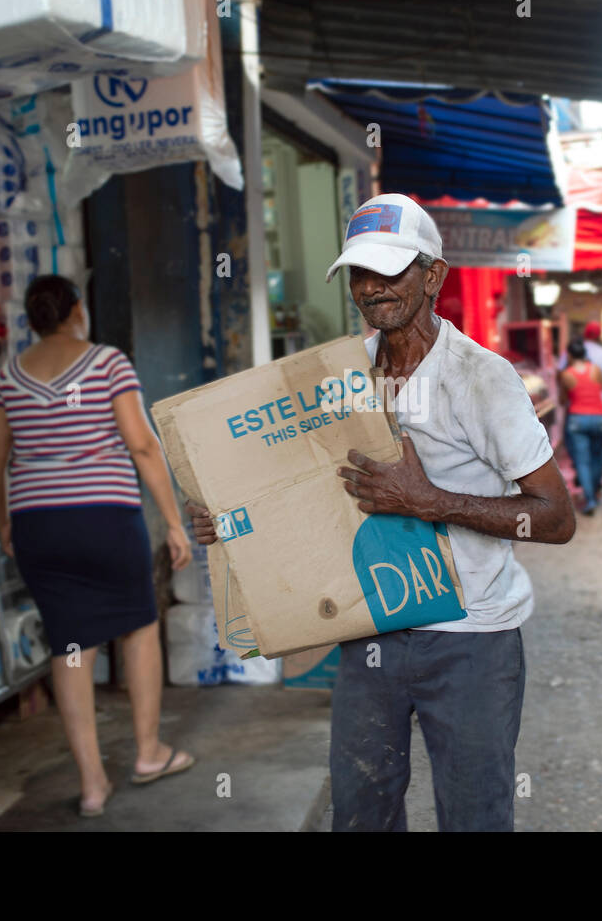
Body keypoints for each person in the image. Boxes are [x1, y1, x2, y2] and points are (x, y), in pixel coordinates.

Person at [190, 193, 576, 832]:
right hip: (373, 629)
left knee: (474, 816)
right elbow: (303, 492)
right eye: (360, 275)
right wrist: (224, 517)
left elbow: (556, 517)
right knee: (362, 813)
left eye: (390, 271)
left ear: (433, 275)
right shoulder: (341, 378)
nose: (372, 288)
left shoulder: (482, 378)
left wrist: (428, 502)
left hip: (473, 637)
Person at [0, 274, 195, 818]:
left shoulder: (7, 376)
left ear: (32, 318)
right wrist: (173, 521)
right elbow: (141, 445)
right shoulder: (107, 363)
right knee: (139, 627)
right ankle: (148, 753)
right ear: (77, 309)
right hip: (104, 517)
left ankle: (93, 784)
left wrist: (5, 522)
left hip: (38, 526)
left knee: (70, 645)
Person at [559, 339, 602, 515]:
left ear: (570, 355)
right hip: (599, 418)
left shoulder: (566, 374)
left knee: (582, 462)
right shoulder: (595, 369)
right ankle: (594, 489)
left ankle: (590, 500)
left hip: (578, 420)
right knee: (598, 457)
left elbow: (562, 400)